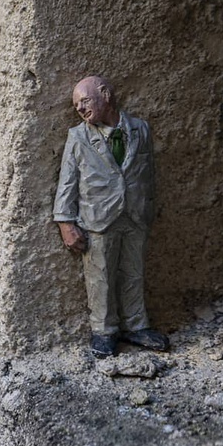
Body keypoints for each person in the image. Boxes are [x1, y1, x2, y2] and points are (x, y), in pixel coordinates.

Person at [53, 75, 169, 358]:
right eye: (76, 105)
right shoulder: (78, 137)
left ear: (105, 94)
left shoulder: (140, 129)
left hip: (134, 215)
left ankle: (136, 325)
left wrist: (147, 207)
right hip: (98, 219)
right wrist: (65, 222)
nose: (80, 109)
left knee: (134, 271)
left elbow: (148, 174)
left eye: (84, 101)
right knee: (100, 275)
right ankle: (103, 330)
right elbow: (67, 181)